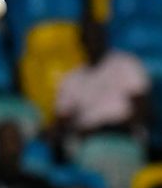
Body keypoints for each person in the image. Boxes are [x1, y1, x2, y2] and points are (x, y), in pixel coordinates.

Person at [54, 18, 151, 147]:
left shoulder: (127, 64)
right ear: (81, 42)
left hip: (123, 136)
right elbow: (63, 120)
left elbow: (142, 111)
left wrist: (105, 130)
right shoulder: (72, 79)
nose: (93, 41)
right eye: (88, 38)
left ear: (105, 37)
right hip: (86, 141)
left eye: (97, 36)